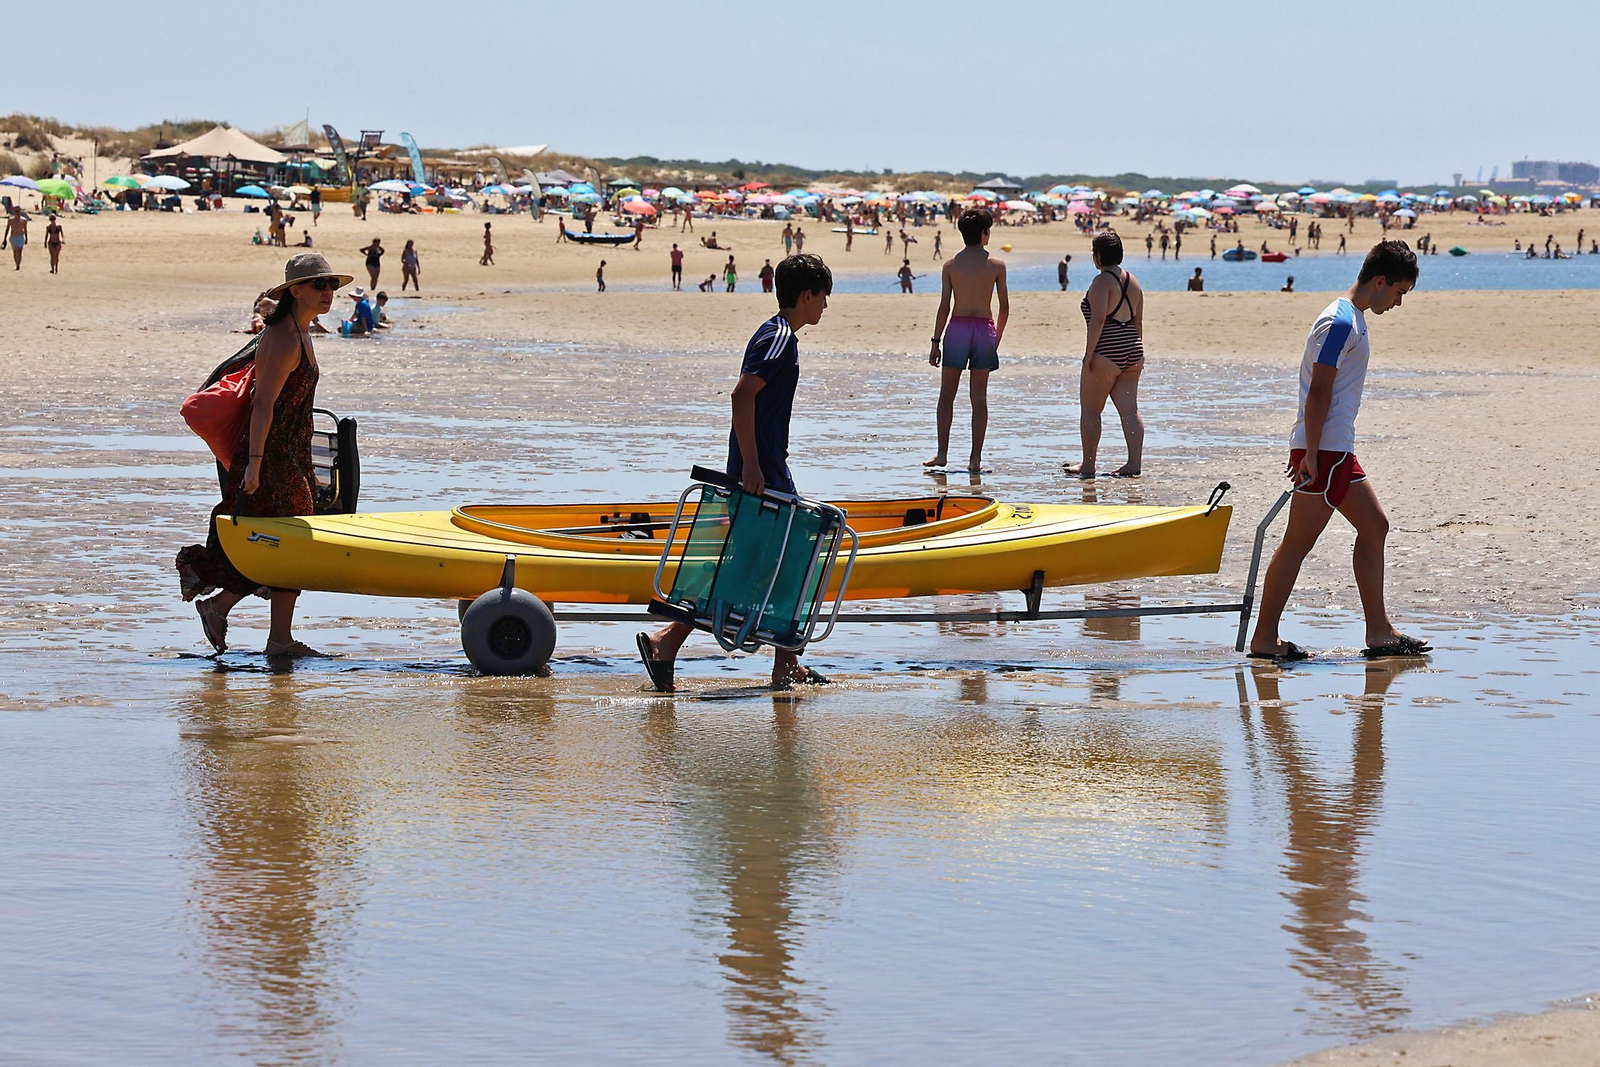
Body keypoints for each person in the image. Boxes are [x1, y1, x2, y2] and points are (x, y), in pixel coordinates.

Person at [635, 253, 835, 692]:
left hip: (763, 466)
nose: (825, 306)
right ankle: (676, 643)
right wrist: (750, 465)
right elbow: (742, 396)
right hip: (762, 470)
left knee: (752, 562)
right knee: (796, 556)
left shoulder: (776, 332)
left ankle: (669, 644)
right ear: (806, 296)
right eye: (823, 297)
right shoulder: (779, 337)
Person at [1248, 240, 1429, 662]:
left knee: (1375, 525)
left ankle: (1380, 631)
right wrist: (1310, 453)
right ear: (1380, 281)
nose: (1399, 303)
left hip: (1335, 449)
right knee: (1297, 543)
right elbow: (1319, 393)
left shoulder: (1353, 318)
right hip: (1323, 451)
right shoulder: (1340, 322)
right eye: (1400, 292)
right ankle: (1264, 638)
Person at [176, 253, 350, 658]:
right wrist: (254, 465)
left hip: (290, 454)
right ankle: (265, 633)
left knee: (280, 544)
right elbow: (262, 405)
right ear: (296, 291)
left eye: (332, 286)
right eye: (320, 285)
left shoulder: (301, 330)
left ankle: (248, 623)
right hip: (271, 458)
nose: (328, 293)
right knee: (288, 545)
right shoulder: (285, 337)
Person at [924, 207, 1008, 474]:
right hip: (984, 329)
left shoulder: (950, 265)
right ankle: (974, 459)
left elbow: (944, 306)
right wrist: (997, 338)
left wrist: (935, 342)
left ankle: (942, 454)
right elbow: (1004, 307)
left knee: (946, 395)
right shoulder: (996, 265)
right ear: (985, 233)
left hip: (957, 328)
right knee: (978, 398)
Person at [1063, 231, 1144, 479]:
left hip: (1107, 348)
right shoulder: (1134, 281)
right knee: (1129, 410)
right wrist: (1138, 350)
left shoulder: (1101, 282)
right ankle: (1133, 463)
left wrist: (1089, 353)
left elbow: (1098, 318)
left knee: (1090, 410)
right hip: (1132, 346)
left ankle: (1088, 465)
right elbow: (1137, 321)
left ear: (1098, 255)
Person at [4, 205, 28, 270]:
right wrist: (5, 238)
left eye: (18, 211)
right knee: (15, 252)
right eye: (16, 211)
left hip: (20, 237)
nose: (17, 212)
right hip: (13, 237)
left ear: (20, 212)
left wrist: (26, 238)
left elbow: (25, 230)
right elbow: (7, 229)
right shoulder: (11, 220)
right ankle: (16, 263)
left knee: (19, 251)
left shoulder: (23, 220)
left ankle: (18, 265)